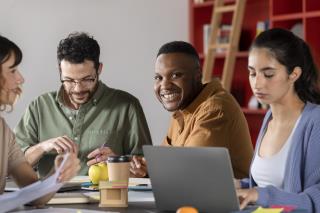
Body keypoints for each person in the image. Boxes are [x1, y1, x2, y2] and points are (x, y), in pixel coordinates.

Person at [14, 32, 152, 177]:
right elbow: (13, 165)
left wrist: (118, 162)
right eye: (69, 80)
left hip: (106, 197)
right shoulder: (39, 107)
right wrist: (43, 146)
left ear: (99, 69)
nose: (78, 89)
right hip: (49, 199)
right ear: (59, 71)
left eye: (87, 79)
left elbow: (146, 169)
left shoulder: (127, 106)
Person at [131, 41, 253, 179]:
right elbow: (163, 164)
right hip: (193, 196)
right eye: (158, 77)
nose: (164, 85)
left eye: (176, 75)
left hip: (229, 199)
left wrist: (153, 169)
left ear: (197, 75)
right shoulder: (181, 110)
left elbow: (190, 171)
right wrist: (142, 167)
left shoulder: (215, 109)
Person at [235, 28, 320, 212]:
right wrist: (240, 185)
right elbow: (265, 182)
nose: (257, 83)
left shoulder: (315, 121)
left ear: (294, 74)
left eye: (268, 74)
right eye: (252, 73)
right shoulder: (269, 118)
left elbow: (316, 200)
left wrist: (261, 195)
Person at [0, 35, 80, 205]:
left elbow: (34, 196)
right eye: (12, 70)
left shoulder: (3, 131)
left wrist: (58, 174)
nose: (21, 79)